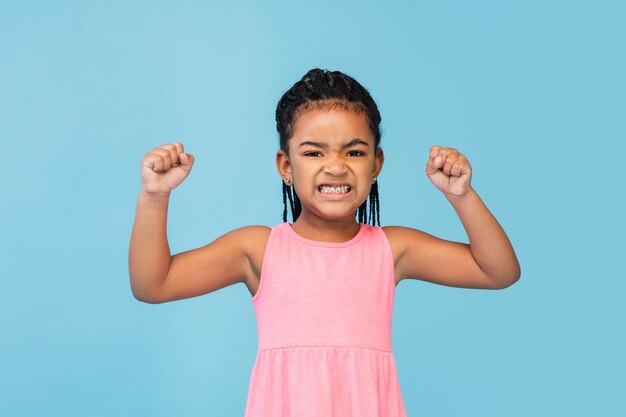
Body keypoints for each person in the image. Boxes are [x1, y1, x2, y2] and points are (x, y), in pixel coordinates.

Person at [128, 68, 521, 416]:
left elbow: (498, 271)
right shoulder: (258, 250)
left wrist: (461, 195)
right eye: (314, 152)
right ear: (286, 166)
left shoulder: (393, 250)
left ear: (376, 165)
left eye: (354, 151)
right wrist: (154, 196)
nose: (336, 166)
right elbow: (153, 284)